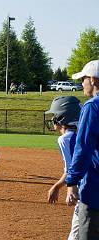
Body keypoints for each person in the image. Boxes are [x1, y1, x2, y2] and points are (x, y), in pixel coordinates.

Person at [65, 59, 99, 240]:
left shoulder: (93, 106)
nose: (82, 83)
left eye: (84, 79)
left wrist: (72, 182)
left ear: (93, 80)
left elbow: (83, 149)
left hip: (95, 192)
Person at [45, 96, 82, 240]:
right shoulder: (85, 129)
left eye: (55, 115)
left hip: (88, 189)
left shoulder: (66, 138)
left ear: (62, 116)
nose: (53, 118)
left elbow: (71, 169)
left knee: (76, 234)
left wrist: (60, 187)